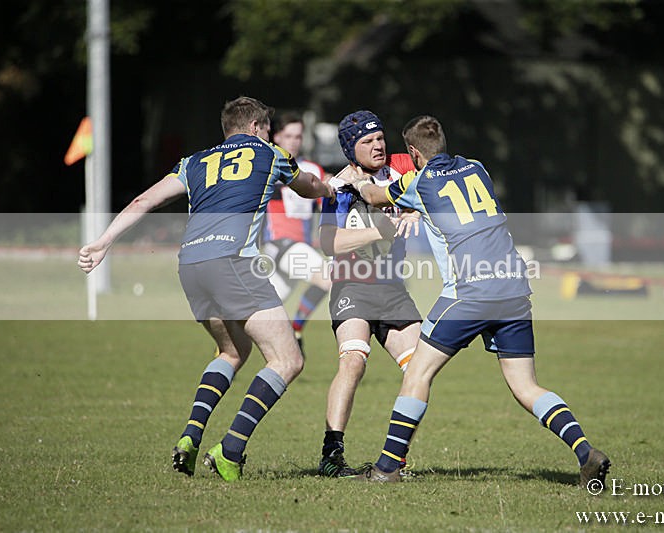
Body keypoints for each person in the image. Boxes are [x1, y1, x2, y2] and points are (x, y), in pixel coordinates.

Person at [340, 115, 610, 486]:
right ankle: (585, 451)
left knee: (418, 373)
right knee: (526, 386)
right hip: (514, 289)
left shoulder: (418, 181)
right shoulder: (478, 168)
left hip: (468, 293)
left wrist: (355, 182)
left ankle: (387, 469)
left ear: (414, 152)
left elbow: (373, 195)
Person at [77, 96, 335, 482]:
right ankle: (231, 450)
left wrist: (102, 242)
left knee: (233, 351)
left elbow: (144, 199)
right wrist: (334, 188)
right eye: (266, 129)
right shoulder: (270, 153)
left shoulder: (194, 162)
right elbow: (309, 186)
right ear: (255, 128)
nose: (269, 135)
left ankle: (190, 435)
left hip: (191, 265)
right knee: (287, 360)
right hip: (233, 262)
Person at [315, 110, 423, 477]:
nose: (378, 145)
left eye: (380, 137)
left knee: (421, 369)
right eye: (367, 141)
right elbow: (328, 241)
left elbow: (436, 171)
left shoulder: (402, 165)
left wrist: (416, 211)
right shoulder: (339, 187)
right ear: (350, 149)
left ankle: (394, 460)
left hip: (394, 290)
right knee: (353, 361)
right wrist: (381, 231)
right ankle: (332, 455)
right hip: (353, 285)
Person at [263, 112, 332, 352]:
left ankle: (227, 344)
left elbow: (328, 203)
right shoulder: (267, 165)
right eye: (288, 135)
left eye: (298, 136)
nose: (294, 141)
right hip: (279, 245)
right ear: (277, 137)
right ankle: (296, 328)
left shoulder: (311, 169)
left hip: (300, 247)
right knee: (327, 277)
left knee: (264, 312)